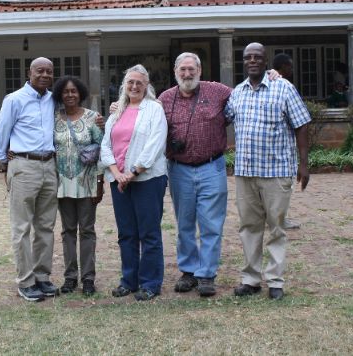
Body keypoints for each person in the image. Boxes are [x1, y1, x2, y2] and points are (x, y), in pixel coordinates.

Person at [226, 43, 311, 301]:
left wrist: (304, 163)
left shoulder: (283, 88)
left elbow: (302, 125)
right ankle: (251, 279)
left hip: (276, 171)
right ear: (243, 62)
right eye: (247, 57)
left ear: (266, 63)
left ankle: (275, 281)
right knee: (249, 227)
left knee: (276, 228)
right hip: (245, 172)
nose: (252, 60)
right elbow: (220, 116)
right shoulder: (237, 93)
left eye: (257, 57)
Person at [158, 52, 231, 297]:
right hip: (179, 169)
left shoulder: (218, 91)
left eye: (192, 69)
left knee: (211, 224)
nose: (187, 74)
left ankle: (207, 274)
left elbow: (245, 95)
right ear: (175, 71)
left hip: (212, 166)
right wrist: (118, 106)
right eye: (183, 70)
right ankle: (188, 271)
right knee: (185, 223)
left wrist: (271, 76)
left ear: (199, 70)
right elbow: (142, 116)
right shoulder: (165, 98)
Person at [0, 57, 59, 302]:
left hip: (49, 166)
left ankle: (42, 276)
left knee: (45, 226)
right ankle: (26, 280)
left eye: (49, 72)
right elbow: (2, 131)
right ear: (29, 73)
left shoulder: (53, 100)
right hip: (23, 165)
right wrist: (4, 162)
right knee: (21, 228)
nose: (44, 75)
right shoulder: (14, 100)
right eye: (39, 70)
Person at [100, 64, 168, 301]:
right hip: (118, 180)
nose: (135, 86)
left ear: (147, 85)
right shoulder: (117, 111)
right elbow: (105, 144)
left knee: (148, 233)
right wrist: (117, 173)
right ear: (124, 85)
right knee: (126, 233)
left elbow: (156, 143)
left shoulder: (154, 109)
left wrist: (134, 171)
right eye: (130, 82)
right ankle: (128, 280)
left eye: (139, 82)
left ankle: (150, 283)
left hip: (147, 179)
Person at [52, 76, 104, 296]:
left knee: (88, 231)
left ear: (80, 93)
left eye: (73, 91)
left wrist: (100, 182)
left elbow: (102, 149)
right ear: (60, 95)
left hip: (88, 182)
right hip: (62, 184)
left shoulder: (93, 118)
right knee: (67, 231)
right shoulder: (53, 118)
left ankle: (89, 278)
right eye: (65, 92)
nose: (70, 95)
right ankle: (70, 277)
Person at [272, 53, 301, 231]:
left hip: (282, 149)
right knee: (282, 188)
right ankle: (279, 219)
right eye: (289, 66)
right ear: (282, 67)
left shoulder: (281, 84)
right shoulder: (283, 86)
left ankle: (278, 218)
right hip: (280, 151)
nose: (291, 69)